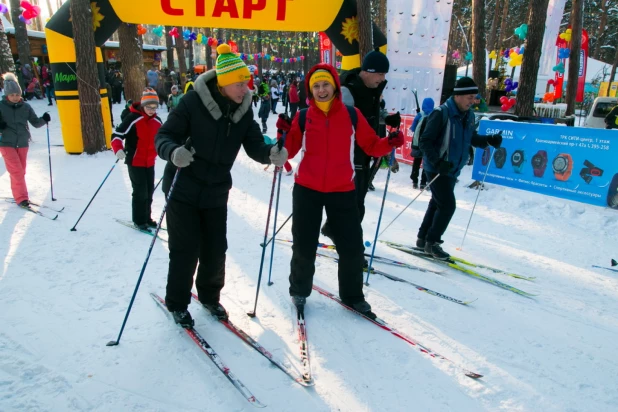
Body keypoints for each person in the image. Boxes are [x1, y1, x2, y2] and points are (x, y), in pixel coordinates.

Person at [155, 43, 288, 327]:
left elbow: (254, 143)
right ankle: (177, 302)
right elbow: (164, 136)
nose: (245, 88)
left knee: (216, 248)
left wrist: (270, 153)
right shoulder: (192, 103)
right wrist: (173, 152)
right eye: (240, 83)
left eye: (246, 82)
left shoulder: (243, 109)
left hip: (215, 190)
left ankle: (209, 296)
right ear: (225, 83)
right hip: (183, 188)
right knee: (186, 248)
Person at [277, 63, 405, 318]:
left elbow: (371, 145)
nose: (321, 90)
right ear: (310, 90)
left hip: (343, 188)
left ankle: (352, 295)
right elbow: (286, 153)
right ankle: (299, 290)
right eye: (316, 86)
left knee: (352, 247)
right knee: (304, 245)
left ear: (335, 86)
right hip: (307, 189)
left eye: (325, 84)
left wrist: (389, 142)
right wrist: (282, 133)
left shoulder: (351, 114)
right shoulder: (303, 116)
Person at [416, 77, 502, 259]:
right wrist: (438, 162)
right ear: (458, 96)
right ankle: (432, 242)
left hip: (453, 168)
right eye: (470, 97)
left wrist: (489, 140)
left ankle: (423, 238)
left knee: (437, 203)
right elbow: (425, 141)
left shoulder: (468, 115)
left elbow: (471, 138)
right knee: (447, 206)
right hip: (437, 168)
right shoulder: (441, 113)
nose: (473, 101)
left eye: (474, 97)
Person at [321, 51, 401, 239]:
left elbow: (369, 114)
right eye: (380, 74)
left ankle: (334, 229)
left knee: (356, 202)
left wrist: (386, 118)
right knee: (355, 206)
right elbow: (342, 122)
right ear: (368, 71)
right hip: (348, 157)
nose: (382, 79)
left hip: (364, 152)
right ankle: (349, 247)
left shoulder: (371, 89)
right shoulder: (348, 90)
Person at [111, 88, 162, 231]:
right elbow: (116, 135)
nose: (151, 110)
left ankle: (147, 217)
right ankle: (139, 220)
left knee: (149, 191)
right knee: (140, 192)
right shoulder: (133, 118)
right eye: (148, 107)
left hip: (150, 162)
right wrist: (118, 149)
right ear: (143, 105)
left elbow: (165, 136)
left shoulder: (157, 121)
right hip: (135, 161)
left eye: (154, 107)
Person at [0, 73, 50, 207]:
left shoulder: (26, 107)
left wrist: (44, 119)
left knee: (20, 171)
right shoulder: (1, 106)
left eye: (17, 95)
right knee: (17, 171)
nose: (15, 98)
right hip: (6, 143)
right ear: (7, 95)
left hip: (22, 143)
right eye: (12, 95)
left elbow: (35, 122)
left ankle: (18, 192)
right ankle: (22, 198)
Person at [410, 97, 435, 189]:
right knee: (426, 163)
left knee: (416, 161)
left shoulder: (419, 115)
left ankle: (414, 181)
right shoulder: (434, 115)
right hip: (429, 143)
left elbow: (412, 129)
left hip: (418, 143)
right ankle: (423, 183)